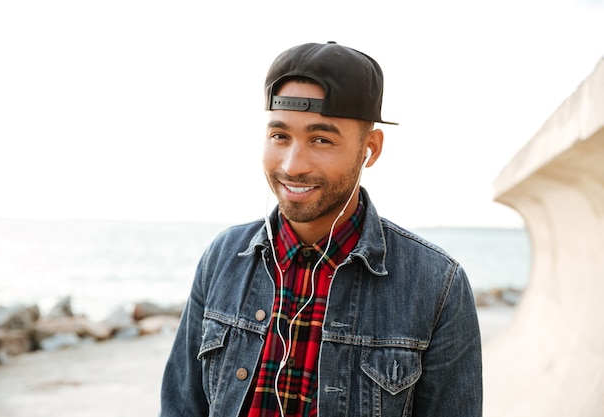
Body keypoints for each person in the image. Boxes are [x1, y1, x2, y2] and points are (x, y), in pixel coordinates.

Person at [160, 41, 482, 417]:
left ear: (370, 148)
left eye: (321, 139)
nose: (293, 166)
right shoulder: (223, 257)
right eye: (280, 136)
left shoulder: (436, 285)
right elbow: (181, 407)